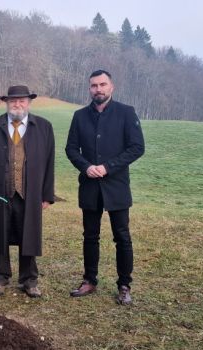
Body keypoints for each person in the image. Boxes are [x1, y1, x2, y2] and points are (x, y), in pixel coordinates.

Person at [64, 69, 145, 305]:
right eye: (94, 86)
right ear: (89, 89)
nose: (98, 89)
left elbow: (136, 147)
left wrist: (108, 167)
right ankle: (89, 280)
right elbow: (71, 149)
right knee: (90, 236)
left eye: (102, 84)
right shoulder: (80, 116)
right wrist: (86, 167)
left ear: (112, 87)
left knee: (122, 237)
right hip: (89, 186)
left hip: (116, 186)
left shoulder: (126, 113)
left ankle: (124, 285)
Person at [0, 85, 55, 298]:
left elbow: (49, 163)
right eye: (13, 101)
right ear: (6, 103)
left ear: (29, 102)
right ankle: (0, 277)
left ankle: (29, 279)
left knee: (29, 234)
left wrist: (47, 194)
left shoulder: (44, 127)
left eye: (22, 100)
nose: (17, 104)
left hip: (29, 193)